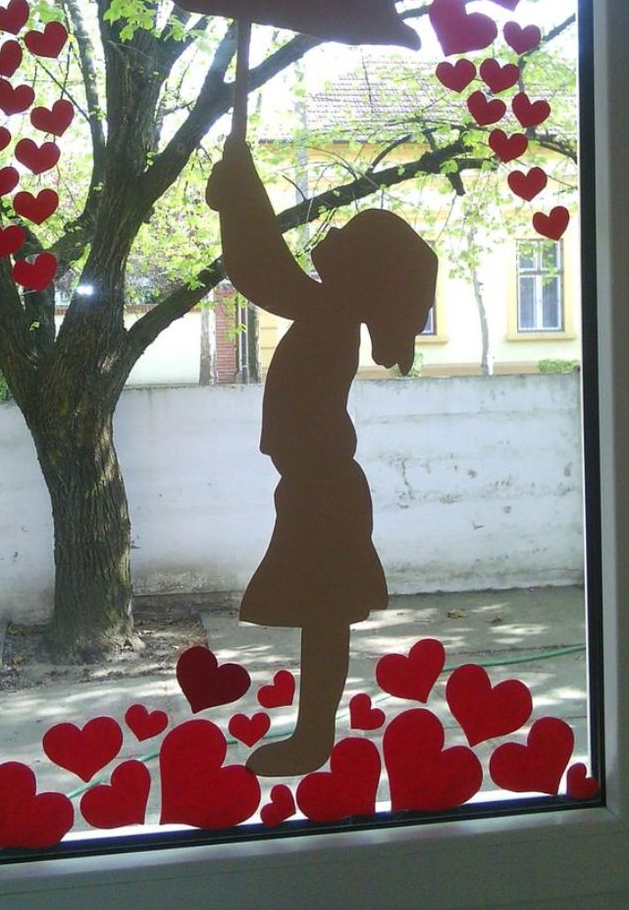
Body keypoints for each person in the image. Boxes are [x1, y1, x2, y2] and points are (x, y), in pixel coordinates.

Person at [206, 134, 438, 776]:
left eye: (345, 251)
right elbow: (263, 268)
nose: (326, 254)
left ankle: (314, 739)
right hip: (317, 487)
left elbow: (261, 270)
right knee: (322, 616)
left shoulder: (329, 312)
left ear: (363, 272)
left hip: (321, 490)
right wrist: (240, 190)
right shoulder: (331, 313)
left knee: (324, 615)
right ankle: (314, 736)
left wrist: (242, 192)